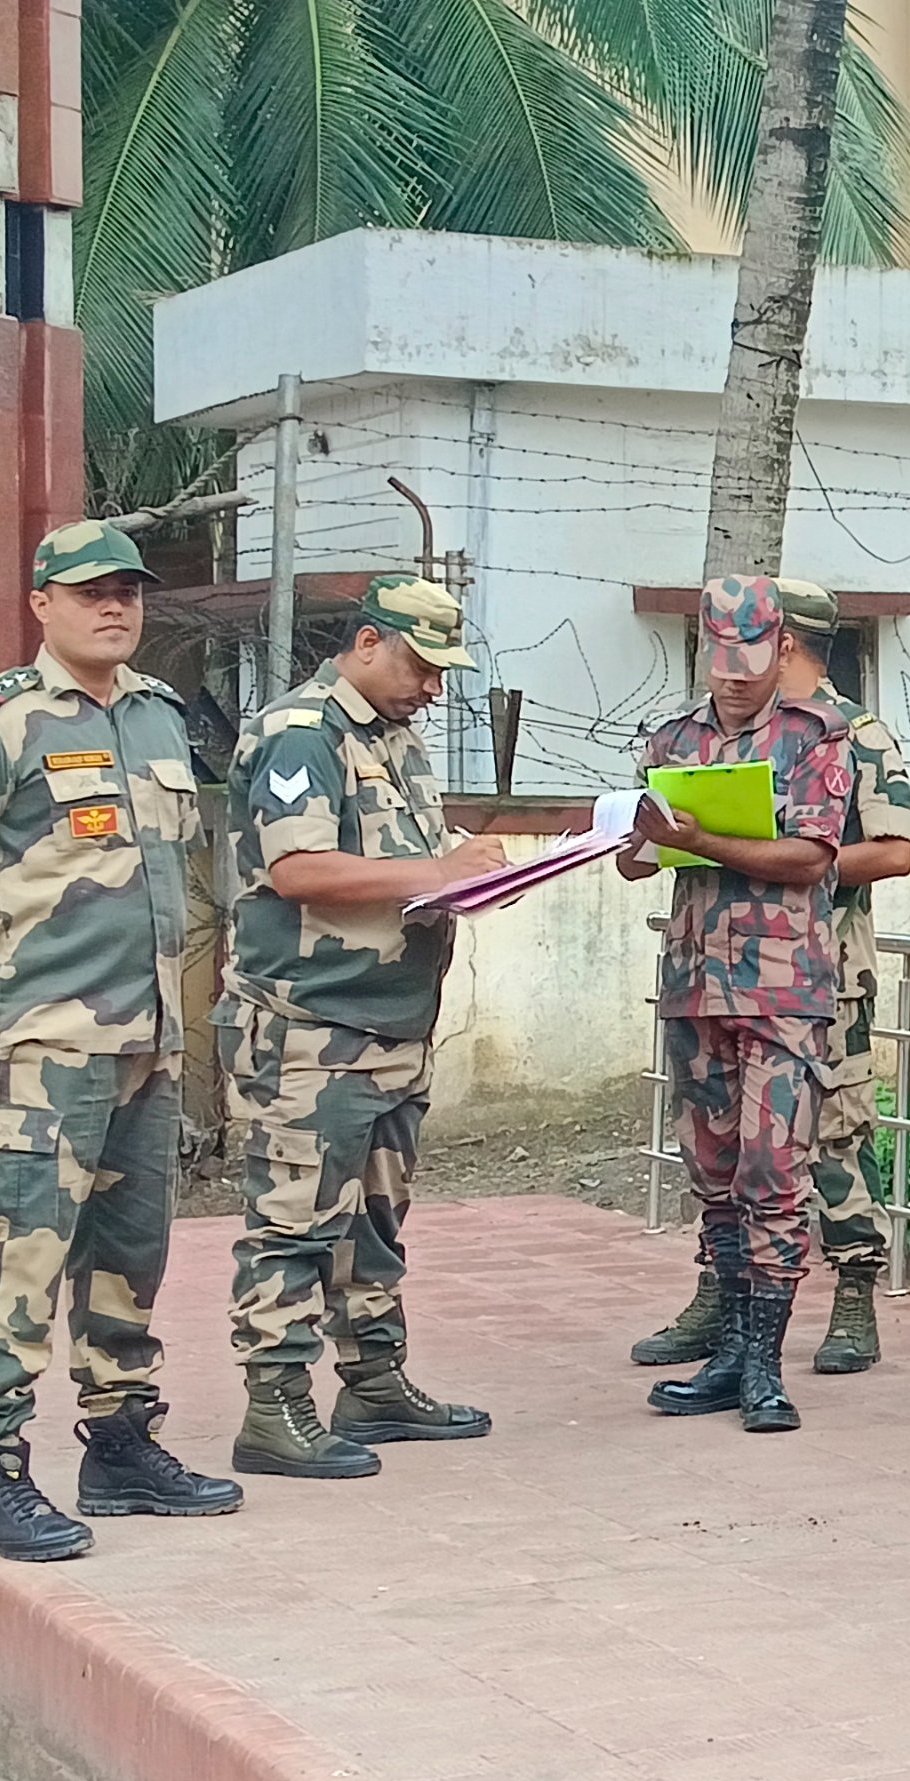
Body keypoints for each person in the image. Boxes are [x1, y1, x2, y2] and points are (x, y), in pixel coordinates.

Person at [0, 519, 245, 1562]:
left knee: (130, 1250)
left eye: (130, 591)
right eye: (91, 590)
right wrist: (20, 975)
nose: (115, 606)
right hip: (50, 1040)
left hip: (149, 1037)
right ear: (42, 603)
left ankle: (122, 1441)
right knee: (25, 1249)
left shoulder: (155, 716)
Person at [221, 574, 508, 1480]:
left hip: (390, 1026)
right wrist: (439, 865)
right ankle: (274, 1406)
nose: (433, 687)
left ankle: (374, 1380)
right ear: (368, 643)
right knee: (297, 1220)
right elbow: (301, 868)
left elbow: (399, 862)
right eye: (422, 666)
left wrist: (468, 871)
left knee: (376, 1218)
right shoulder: (300, 735)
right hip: (311, 1026)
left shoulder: (394, 741)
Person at [620, 575, 855, 1434]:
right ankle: (726, 1350)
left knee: (774, 1174)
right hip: (694, 986)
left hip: (782, 992)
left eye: (749, 657)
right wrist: (639, 839)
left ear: (780, 647)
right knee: (715, 1176)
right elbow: (637, 861)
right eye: (718, 656)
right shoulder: (672, 738)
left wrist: (701, 839)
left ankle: (766, 1365)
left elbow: (810, 858)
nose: (732, 674)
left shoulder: (815, 736)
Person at [781, 581, 910, 1373]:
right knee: (731, 1139)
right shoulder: (737, 736)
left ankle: (854, 1296)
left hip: (825, 969)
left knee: (837, 1129)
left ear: (786, 643)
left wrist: (795, 867)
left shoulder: (856, 735)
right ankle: (719, 1290)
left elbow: (896, 849)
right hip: (739, 970)